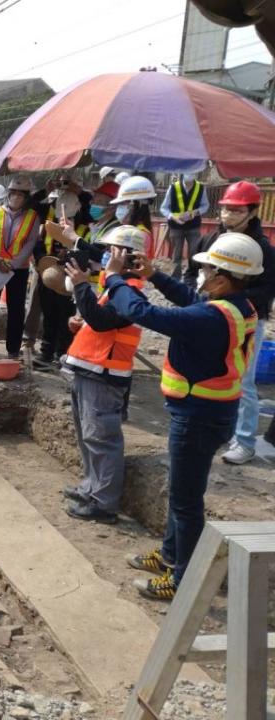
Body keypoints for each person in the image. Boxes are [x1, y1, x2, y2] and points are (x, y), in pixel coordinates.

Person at [112, 234, 261, 600]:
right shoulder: (237, 307)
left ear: (223, 278)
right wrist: (156, 276)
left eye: (207, 269)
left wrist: (115, 279)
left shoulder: (211, 317)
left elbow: (143, 313)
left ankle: (183, 580)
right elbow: (193, 302)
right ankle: (170, 556)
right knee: (184, 492)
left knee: (185, 500)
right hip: (210, 412)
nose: (201, 274)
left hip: (198, 417)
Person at [60, 226, 150, 524]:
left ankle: (103, 502)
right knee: (89, 435)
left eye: (112, 251)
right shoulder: (116, 288)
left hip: (104, 374)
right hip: (90, 369)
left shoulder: (131, 293)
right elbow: (99, 323)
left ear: (125, 256)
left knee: (102, 439)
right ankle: (91, 487)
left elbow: (102, 322)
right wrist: (80, 322)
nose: (105, 256)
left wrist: (81, 286)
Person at [184, 181, 275, 465]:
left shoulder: (262, 249)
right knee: (209, 373)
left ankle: (245, 441)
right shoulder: (210, 239)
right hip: (209, 316)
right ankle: (218, 428)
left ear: (251, 211)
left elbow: (266, 290)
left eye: (236, 210)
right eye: (225, 209)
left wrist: (229, 298)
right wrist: (196, 300)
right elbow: (190, 274)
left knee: (243, 380)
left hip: (246, 321)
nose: (228, 215)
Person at [0, 176, 40, 359]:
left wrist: (12, 264)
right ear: (8, 194)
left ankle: (12, 350)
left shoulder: (32, 217)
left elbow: (30, 243)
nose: (16, 197)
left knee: (16, 310)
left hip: (18, 270)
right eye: (14, 193)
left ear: (26, 197)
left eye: (21, 194)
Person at [31, 178, 91, 365]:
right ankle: (46, 353)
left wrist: (79, 191)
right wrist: (42, 262)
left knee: (67, 317)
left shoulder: (83, 227)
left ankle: (62, 353)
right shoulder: (49, 223)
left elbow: (87, 253)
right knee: (49, 316)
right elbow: (31, 205)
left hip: (70, 277)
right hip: (49, 274)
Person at [160, 173, 208, 281]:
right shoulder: (173, 187)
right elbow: (164, 208)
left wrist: (197, 211)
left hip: (193, 226)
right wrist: (173, 217)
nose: (190, 173)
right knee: (176, 254)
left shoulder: (201, 188)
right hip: (176, 227)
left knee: (194, 252)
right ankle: (175, 278)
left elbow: (206, 205)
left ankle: (191, 277)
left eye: (193, 171)